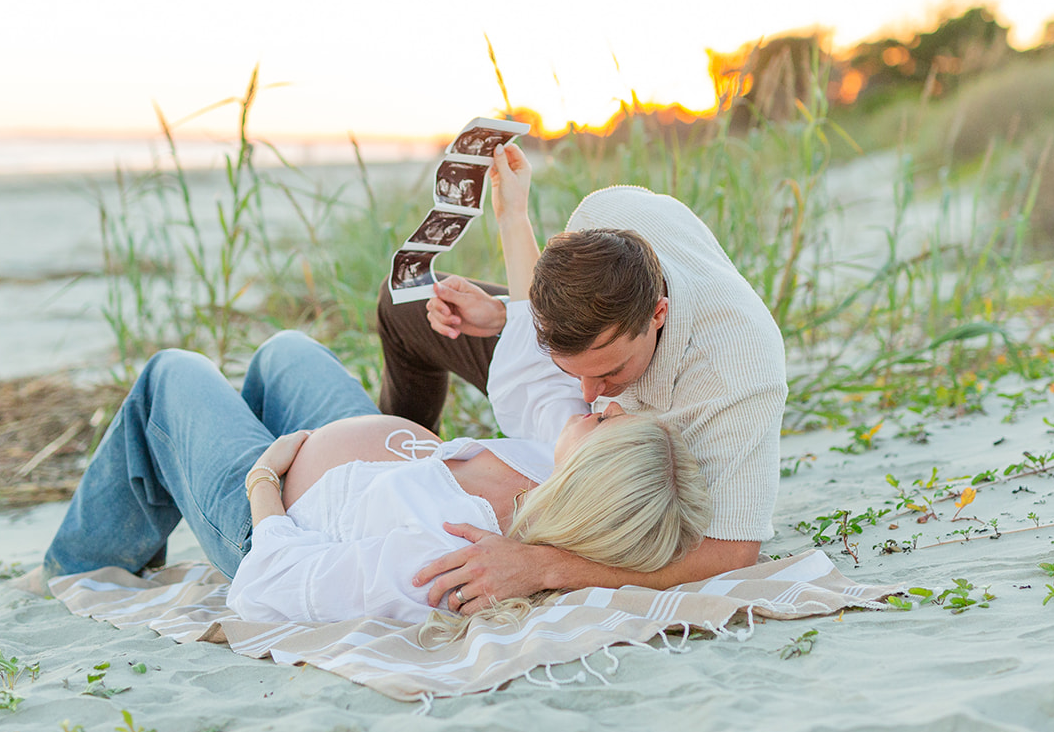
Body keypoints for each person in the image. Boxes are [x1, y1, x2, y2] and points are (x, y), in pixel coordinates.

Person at [40, 330, 709, 626]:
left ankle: (82, 564)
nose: (603, 402)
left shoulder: (457, 554)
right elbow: (539, 341)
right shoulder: (545, 462)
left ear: (588, 478)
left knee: (169, 374)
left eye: (606, 423)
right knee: (284, 353)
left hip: (274, 511)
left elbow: (269, 587)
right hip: (367, 451)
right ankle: (200, 462)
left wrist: (265, 483)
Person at [377, 144, 787, 614]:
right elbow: (575, 334)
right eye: (574, 375)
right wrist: (507, 316)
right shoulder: (605, 213)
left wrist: (541, 566)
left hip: (628, 441)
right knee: (403, 306)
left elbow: (732, 553)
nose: (589, 396)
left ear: (658, 315)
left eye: (611, 373)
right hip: (584, 357)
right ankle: (396, 448)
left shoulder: (734, 372)